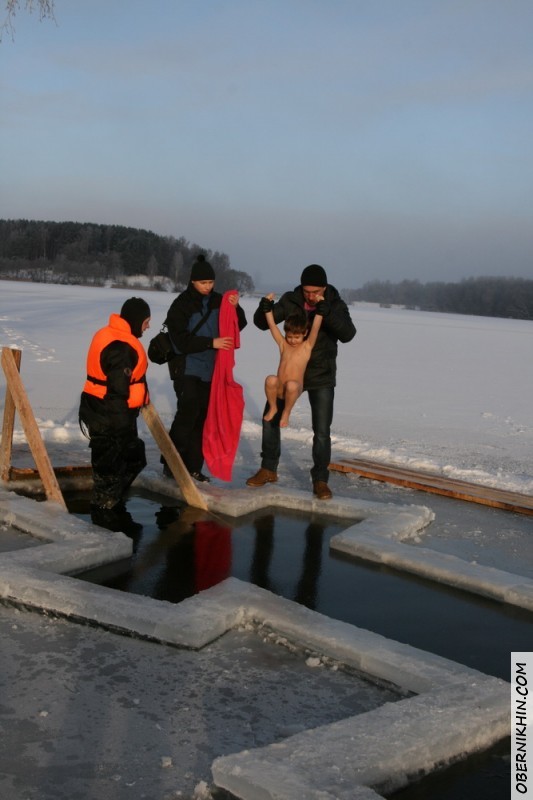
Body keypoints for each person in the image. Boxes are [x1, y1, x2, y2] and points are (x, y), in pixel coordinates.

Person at [246, 264, 356, 500]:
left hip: (321, 374)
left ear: (324, 288)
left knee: (322, 431)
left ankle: (320, 481)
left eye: (315, 291)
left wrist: (328, 313)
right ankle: (268, 469)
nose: (310, 295)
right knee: (270, 416)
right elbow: (263, 323)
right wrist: (263, 308)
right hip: (291, 374)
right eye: (307, 291)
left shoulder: (335, 302)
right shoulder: (291, 300)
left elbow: (348, 334)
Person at [164, 254, 247, 482]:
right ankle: (171, 463)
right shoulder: (181, 304)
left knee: (202, 418)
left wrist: (236, 308)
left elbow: (238, 324)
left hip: (211, 371)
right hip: (187, 368)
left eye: (210, 283)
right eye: (203, 283)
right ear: (192, 282)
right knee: (187, 413)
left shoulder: (218, 300)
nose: (207, 287)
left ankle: (193, 467)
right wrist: (211, 343)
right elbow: (180, 340)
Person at [79, 297, 151, 529]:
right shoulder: (122, 347)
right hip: (110, 415)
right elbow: (117, 392)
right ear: (137, 320)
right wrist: (123, 431)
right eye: (146, 321)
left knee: (114, 461)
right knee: (120, 461)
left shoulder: (108, 334)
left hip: (99, 410)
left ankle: (108, 506)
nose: (148, 326)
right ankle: (104, 516)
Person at [262, 292, 324, 428]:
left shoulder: (306, 347)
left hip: (295, 388)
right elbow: (272, 326)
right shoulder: (283, 344)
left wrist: (320, 309)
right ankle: (273, 407)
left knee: (291, 385)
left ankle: (286, 412)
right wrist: (267, 309)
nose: (292, 340)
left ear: (304, 334)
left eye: (296, 337)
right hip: (279, 388)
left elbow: (315, 328)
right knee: (270, 379)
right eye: (289, 336)